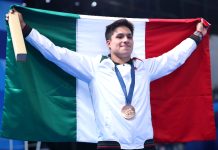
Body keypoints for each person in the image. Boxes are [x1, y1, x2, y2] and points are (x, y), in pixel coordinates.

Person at [6, 9, 208, 150]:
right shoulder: (94, 67)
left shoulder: (144, 67)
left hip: (145, 145)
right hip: (111, 145)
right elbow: (56, 53)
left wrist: (198, 34)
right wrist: (25, 30)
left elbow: (175, 57)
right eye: (120, 37)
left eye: (129, 36)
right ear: (109, 43)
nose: (126, 40)